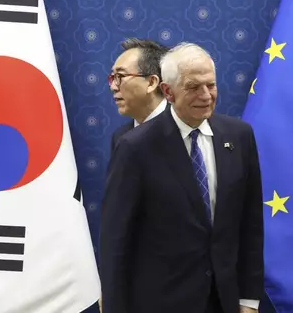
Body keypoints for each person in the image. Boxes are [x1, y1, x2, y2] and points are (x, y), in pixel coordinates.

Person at [99, 42, 264, 313]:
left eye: (210, 85)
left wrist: (248, 300)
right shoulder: (135, 147)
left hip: (223, 302)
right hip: (160, 303)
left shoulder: (239, 137)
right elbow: (115, 240)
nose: (205, 95)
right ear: (168, 91)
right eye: (193, 87)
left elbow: (250, 225)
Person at [108, 38, 170, 152]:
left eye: (120, 76)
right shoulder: (120, 137)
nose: (113, 87)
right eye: (112, 77)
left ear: (151, 83)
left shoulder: (185, 127)